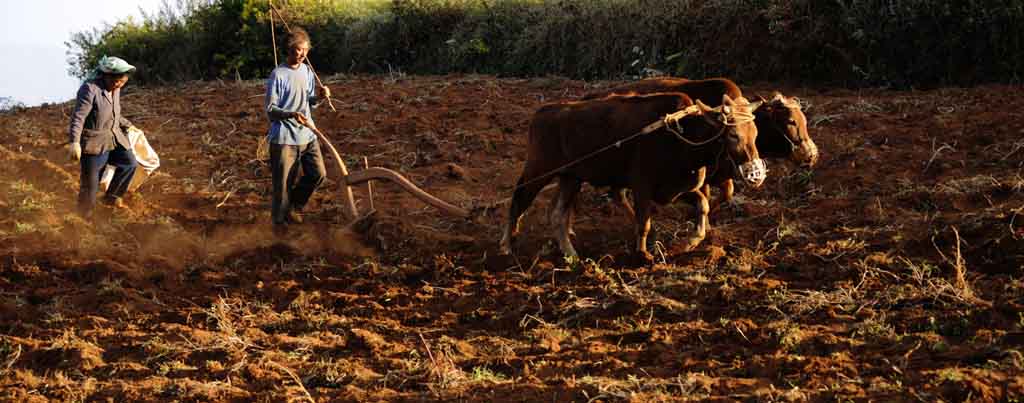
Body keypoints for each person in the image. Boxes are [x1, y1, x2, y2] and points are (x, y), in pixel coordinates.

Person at [264, 27, 331, 235]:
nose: (302, 54)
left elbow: (310, 102)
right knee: (282, 186)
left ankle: (294, 207)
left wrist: (320, 97)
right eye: (297, 50)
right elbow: (271, 110)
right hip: (284, 138)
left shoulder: (307, 71)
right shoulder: (278, 75)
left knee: (318, 174)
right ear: (289, 50)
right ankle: (279, 229)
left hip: (307, 134)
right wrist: (291, 114)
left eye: (305, 50)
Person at [67, 55, 138, 217]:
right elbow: (78, 117)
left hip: (114, 138)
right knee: (90, 188)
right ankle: (83, 220)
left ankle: (111, 199)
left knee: (129, 164)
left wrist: (128, 124)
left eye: (122, 80)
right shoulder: (90, 89)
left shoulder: (116, 89)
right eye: (116, 80)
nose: (119, 84)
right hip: (94, 142)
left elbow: (113, 114)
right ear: (106, 76)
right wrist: (75, 142)